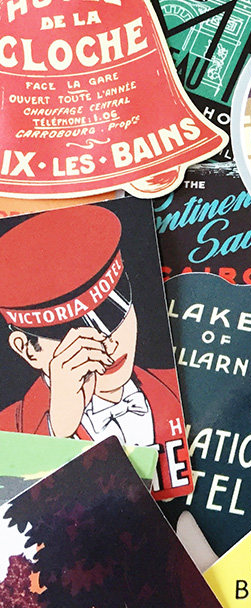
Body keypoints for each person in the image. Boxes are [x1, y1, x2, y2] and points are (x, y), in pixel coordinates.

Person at [0, 204, 190, 498]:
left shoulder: (180, 387)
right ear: (27, 350)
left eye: (115, 314)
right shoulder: (9, 432)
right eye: (75, 337)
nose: (108, 344)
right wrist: (58, 433)